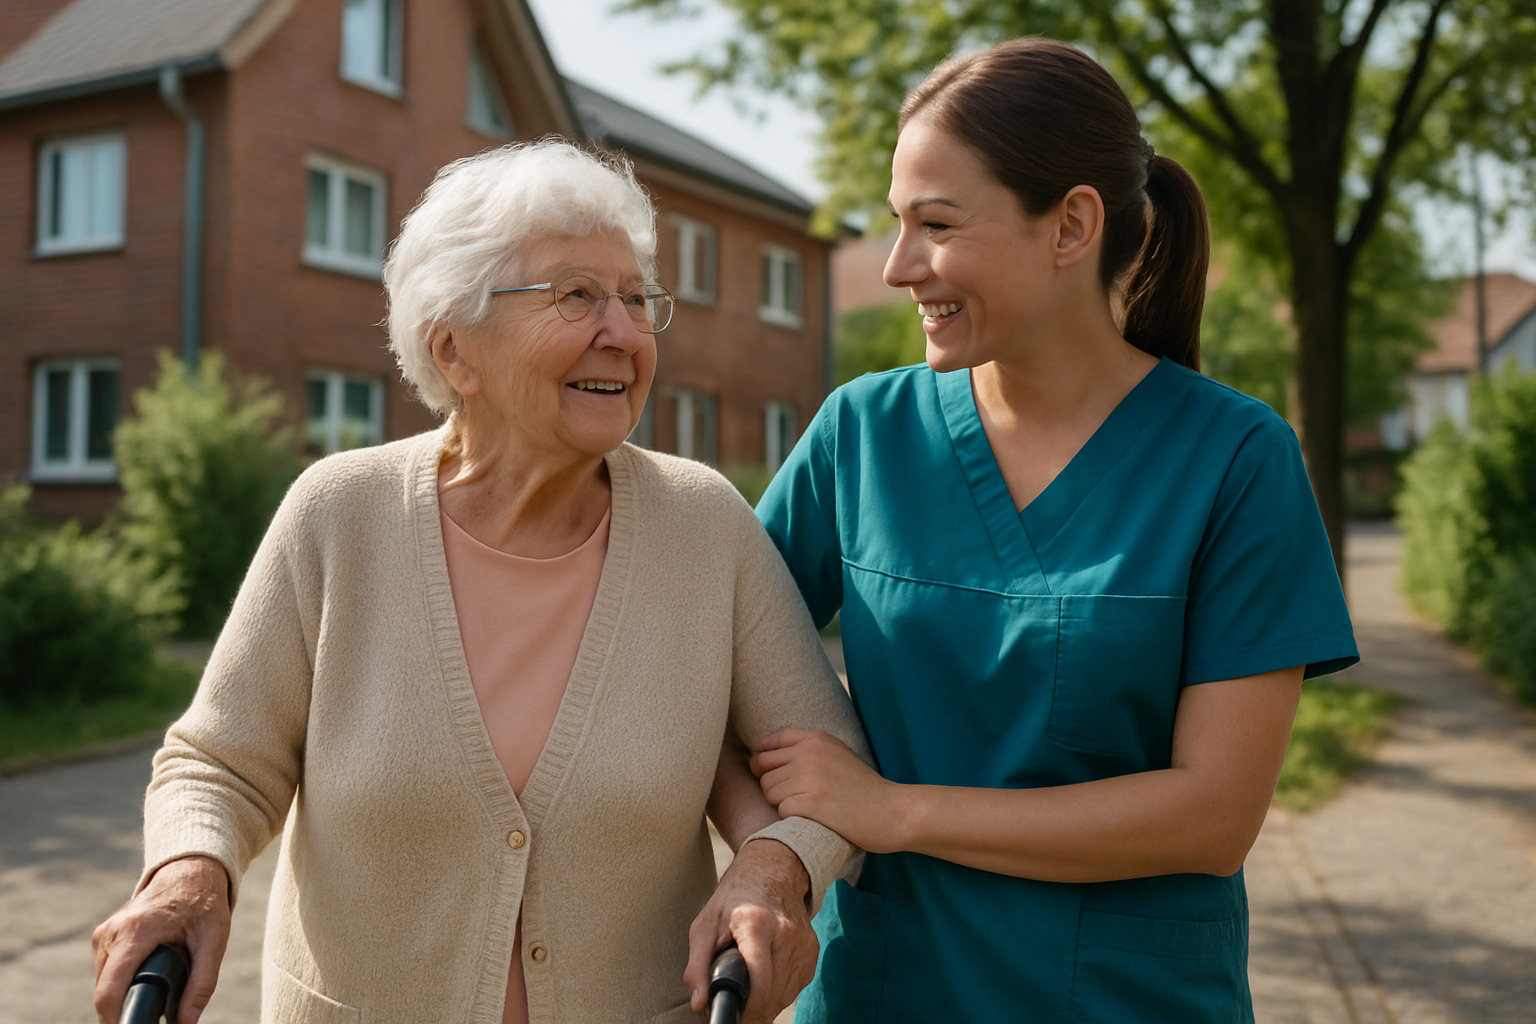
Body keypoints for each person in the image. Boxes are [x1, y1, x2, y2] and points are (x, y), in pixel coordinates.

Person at [91, 139, 869, 1024]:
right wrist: (190, 873)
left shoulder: (706, 525)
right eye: (576, 295)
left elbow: (827, 772)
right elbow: (220, 762)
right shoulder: (340, 514)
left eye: (633, 298)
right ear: (455, 349)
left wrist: (774, 869)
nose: (621, 331)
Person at [748, 37, 1359, 1023]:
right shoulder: (860, 433)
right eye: (898, 224)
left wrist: (895, 811)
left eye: (936, 224)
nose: (900, 267)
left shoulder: (1239, 460)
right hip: (881, 994)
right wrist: (771, 860)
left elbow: (1213, 815)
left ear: (1072, 224)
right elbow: (708, 654)